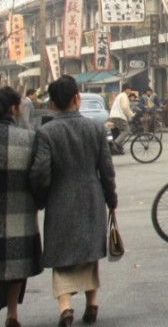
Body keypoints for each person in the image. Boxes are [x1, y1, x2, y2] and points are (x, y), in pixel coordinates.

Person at [30, 76, 118, 327]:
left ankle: (66, 306)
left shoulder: (46, 132)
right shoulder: (95, 129)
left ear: (54, 104)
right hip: (92, 197)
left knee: (62, 255)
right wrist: (111, 198)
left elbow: (40, 171)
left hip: (60, 199)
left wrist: (41, 199)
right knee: (89, 252)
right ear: (77, 98)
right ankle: (92, 303)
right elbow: (107, 169)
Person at [0, 87, 43, 327]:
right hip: (20, 211)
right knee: (16, 266)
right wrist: (38, 199)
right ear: (15, 109)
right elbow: (40, 174)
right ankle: (12, 313)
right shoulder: (29, 139)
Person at [107, 85, 135, 155]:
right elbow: (125, 107)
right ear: (126, 89)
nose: (130, 91)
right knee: (126, 130)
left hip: (114, 115)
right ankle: (115, 144)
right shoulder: (124, 96)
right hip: (119, 116)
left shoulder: (119, 96)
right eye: (130, 89)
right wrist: (131, 115)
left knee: (117, 133)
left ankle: (117, 148)